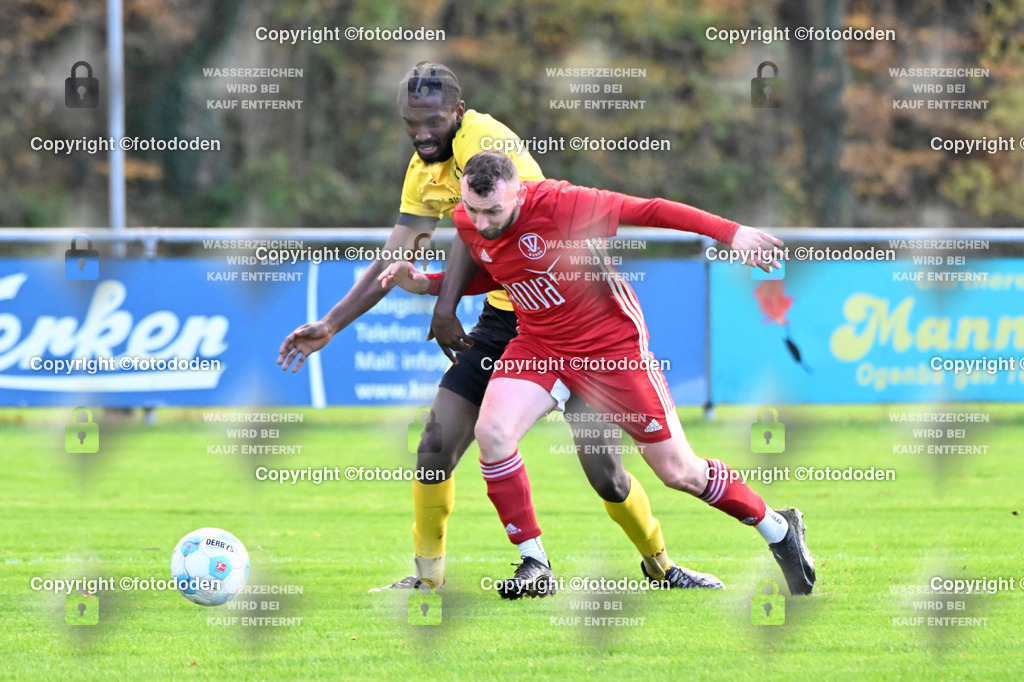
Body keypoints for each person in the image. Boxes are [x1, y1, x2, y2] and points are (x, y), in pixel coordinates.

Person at [278, 63, 712, 599]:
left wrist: (444, 303)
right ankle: (432, 574)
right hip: (503, 323)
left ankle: (661, 565)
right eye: (411, 122)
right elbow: (396, 258)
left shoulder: (485, 141)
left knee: (605, 473)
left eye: (433, 120)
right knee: (436, 444)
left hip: (569, 322)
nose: (422, 132)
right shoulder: (422, 172)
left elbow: (482, 227)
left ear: (457, 113)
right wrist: (331, 323)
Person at [387, 150, 816, 596]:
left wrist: (730, 233)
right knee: (493, 432)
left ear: (518, 193)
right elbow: (502, 272)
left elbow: (650, 209)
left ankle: (778, 528)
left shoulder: (564, 204)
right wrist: (428, 282)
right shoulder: (468, 219)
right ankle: (535, 562)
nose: (482, 222)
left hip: (610, 350)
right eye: (473, 211)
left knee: (678, 472)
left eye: (493, 210)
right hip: (541, 344)